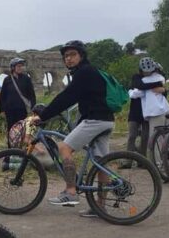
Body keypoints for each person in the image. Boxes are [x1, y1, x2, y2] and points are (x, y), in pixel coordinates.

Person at [30, 40, 114, 218]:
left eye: (72, 55)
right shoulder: (90, 72)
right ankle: (100, 207)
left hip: (95, 120)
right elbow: (73, 99)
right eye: (66, 56)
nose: (68, 59)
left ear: (81, 56)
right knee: (100, 163)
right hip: (105, 120)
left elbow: (66, 97)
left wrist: (44, 115)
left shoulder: (84, 73)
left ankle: (70, 192)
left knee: (63, 147)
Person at [129, 57, 169, 162]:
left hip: (150, 112)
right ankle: (128, 160)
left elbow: (163, 93)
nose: (147, 73)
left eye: (150, 71)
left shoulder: (154, 78)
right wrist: (159, 85)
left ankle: (144, 161)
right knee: (132, 136)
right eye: (145, 71)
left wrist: (163, 89)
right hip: (136, 112)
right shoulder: (137, 77)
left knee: (147, 137)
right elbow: (140, 86)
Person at [0, 57, 36, 139]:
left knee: (22, 129)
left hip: (22, 109)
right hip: (10, 110)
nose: (21, 68)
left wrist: (34, 108)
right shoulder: (7, 79)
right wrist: (1, 110)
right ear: (13, 67)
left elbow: (31, 94)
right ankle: (11, 149)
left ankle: (20, 149)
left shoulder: (26, 79)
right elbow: (3, 96)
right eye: (18, 66)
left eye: (22, 66)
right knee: (11, 129)